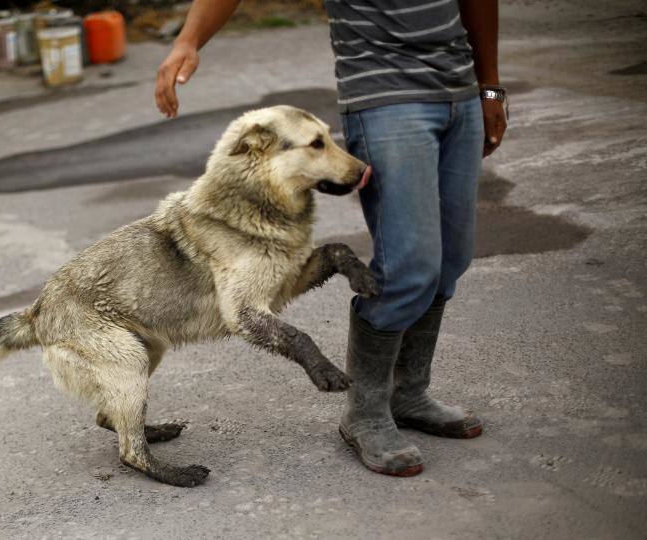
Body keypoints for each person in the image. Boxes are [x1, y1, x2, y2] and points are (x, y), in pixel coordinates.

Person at [155, 0, 507, 477]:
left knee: (448, 263)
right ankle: (364, 413)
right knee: (409, 268)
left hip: (459, 91)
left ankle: (408, 394)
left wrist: (488, 87)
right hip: (386, 96)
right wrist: (188, 39)